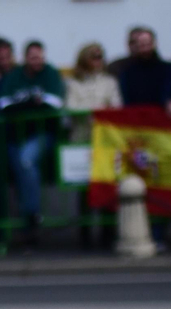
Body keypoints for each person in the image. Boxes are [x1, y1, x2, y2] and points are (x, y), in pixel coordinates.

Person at [0, 41, 65, 244]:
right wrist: (28, 104)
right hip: (16, 136)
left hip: (42, 133)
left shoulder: (50, 73)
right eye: (33, 57)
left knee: (26, 161)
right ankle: (29, 226)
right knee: (21, 173)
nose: (38, 61)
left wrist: (26, 106)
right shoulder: (15, 75)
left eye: (40, 57)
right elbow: (2, 102)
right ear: (25, 57)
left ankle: (32, 215)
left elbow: (55, 102)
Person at [66, 44, 121, 248]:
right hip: (82, 139)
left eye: (100, 56)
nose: (98, 60)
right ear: (84, 59)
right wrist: (98, 110)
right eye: (94, 57)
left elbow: (116, 105)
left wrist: (94, 112)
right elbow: (71, 107)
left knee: (107, 183)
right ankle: (85, 235)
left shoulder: (109, 81)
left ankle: (109, 233)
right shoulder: (73, 83)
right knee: (84, 189)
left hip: (105, 140)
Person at [116, 27, 171, 108]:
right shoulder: (127, 74)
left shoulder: (168, 69)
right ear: (137, 46)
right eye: (142, 45)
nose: (145, 49)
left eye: (148, 44)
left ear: (154, 44)